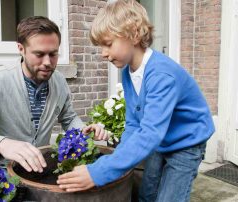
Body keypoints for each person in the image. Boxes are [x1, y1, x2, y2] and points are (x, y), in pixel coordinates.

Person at [57, 1, 215, 201]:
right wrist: (118, 159)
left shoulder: (161, 75)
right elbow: (133, 124)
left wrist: (99, 171)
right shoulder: (127, 72)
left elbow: (150, 133)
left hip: (186, 141)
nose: (103, 53)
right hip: (161, 137)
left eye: (108, 44)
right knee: (147, 193)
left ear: (134, 34)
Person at [0, 16, 107, 173]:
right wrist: (2, 144)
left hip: (41, 170)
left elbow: (68, 118)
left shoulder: (59, 81)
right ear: (21, 49)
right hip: (3, 174)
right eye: (39, 54)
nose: (48, 62)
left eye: (53, 54)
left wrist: (82, 130)